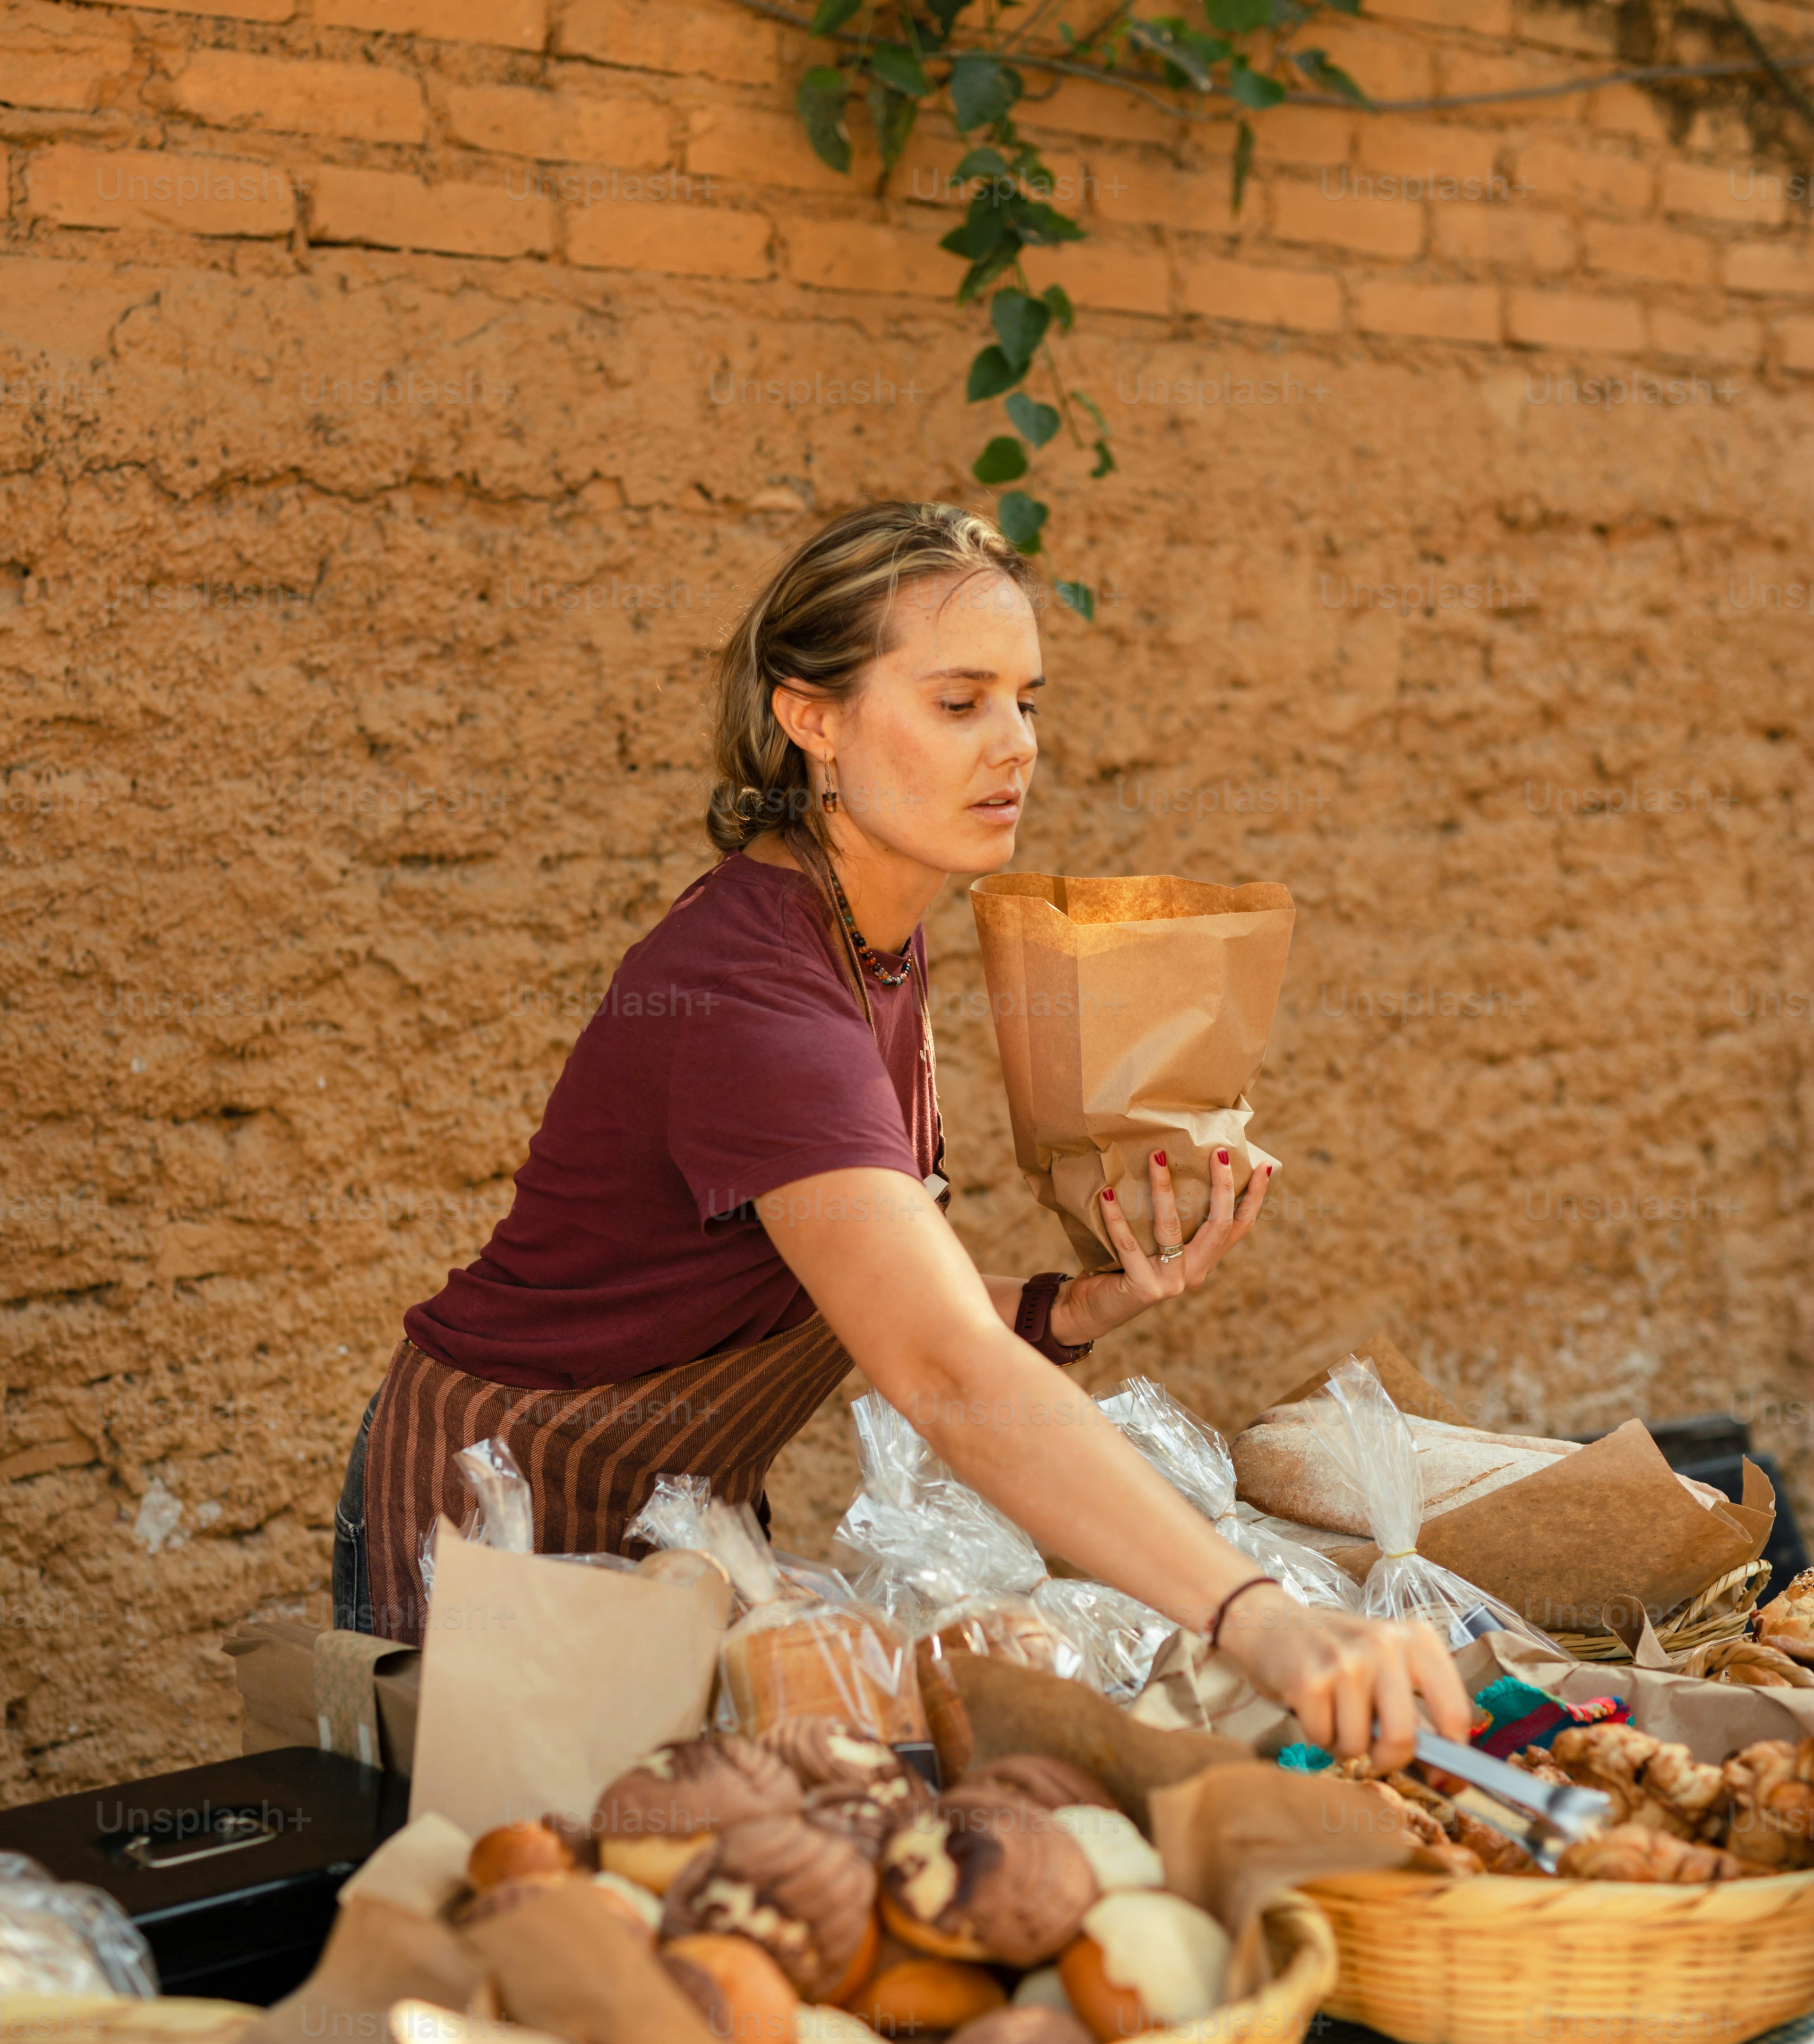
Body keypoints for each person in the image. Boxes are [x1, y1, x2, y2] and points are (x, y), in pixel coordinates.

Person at [336, 501, 1467, 1764]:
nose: (1015, 747)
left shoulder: (874, 939)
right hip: (496, 1526)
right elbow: (937, 1371)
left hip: (671, 1531)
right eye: (957, 702)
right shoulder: (747, 996)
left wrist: (1076, 1311)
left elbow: (854, 1273)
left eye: (1028, 701)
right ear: (810, 719)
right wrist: (1259, 1620)